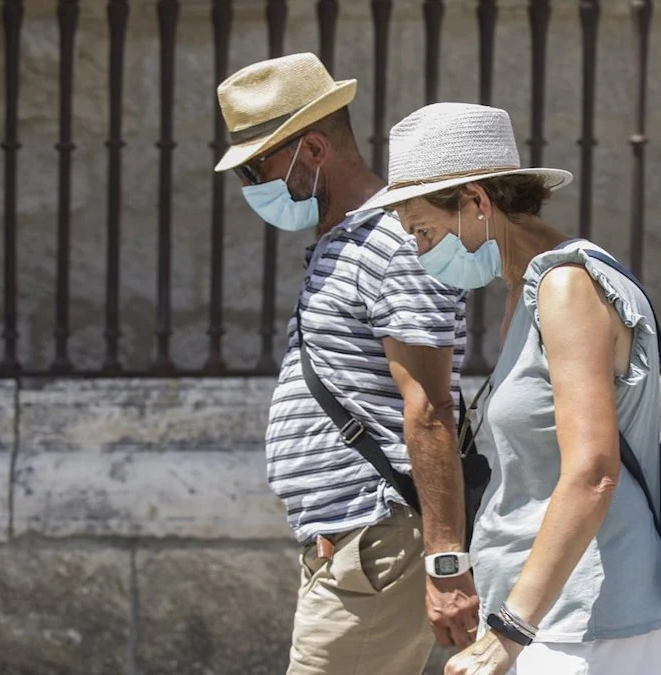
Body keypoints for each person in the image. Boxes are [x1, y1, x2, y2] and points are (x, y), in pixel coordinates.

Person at [353, 102, 661, 675]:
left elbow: (593, 471)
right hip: (552, 612)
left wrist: (509, 632)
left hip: (583, 618)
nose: (419, 250)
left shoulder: (566, 287)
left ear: (478, 203)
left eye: (424, 230)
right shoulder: (526, 294)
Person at [213, 54, 480, 675]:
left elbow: (431, 405)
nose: (250, 186)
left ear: (311, 150)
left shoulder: (390, 244)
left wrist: (446, 563)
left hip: (379, 535)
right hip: (356, 544)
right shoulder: (348, 245)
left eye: (257, 167)